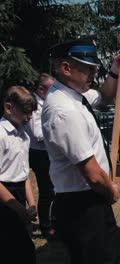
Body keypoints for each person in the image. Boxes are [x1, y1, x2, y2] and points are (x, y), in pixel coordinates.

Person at [42, 37, 120, 264]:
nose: (93, 74)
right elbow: (91, 172)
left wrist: (114, 71)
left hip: (86, 201)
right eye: (87, 69)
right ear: (66, 68)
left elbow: (104, 96)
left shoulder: (74, 95)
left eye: (94, 68)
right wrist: (110, 190)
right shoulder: (64, 110)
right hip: (83, 205)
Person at [0, 86, 38, 263]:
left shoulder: (24, 136)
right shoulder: (1, 135)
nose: (29, 117)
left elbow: (24, 175)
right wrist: (18, 208)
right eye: (25, 112)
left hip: (18, 196)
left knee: (24, 250)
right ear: (9, 108)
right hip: (5, 197)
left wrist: (31, 204)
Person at [25, 73, 56, 239]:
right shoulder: (35, 104)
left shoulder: (46, 103)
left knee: (53, 189)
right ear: (41, 89)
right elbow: (37, 133)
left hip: (47, 153)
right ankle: (46, 226)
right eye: (52, 89)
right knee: (47, 191)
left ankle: (53, 220)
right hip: (39, 153)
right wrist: (57, 127)